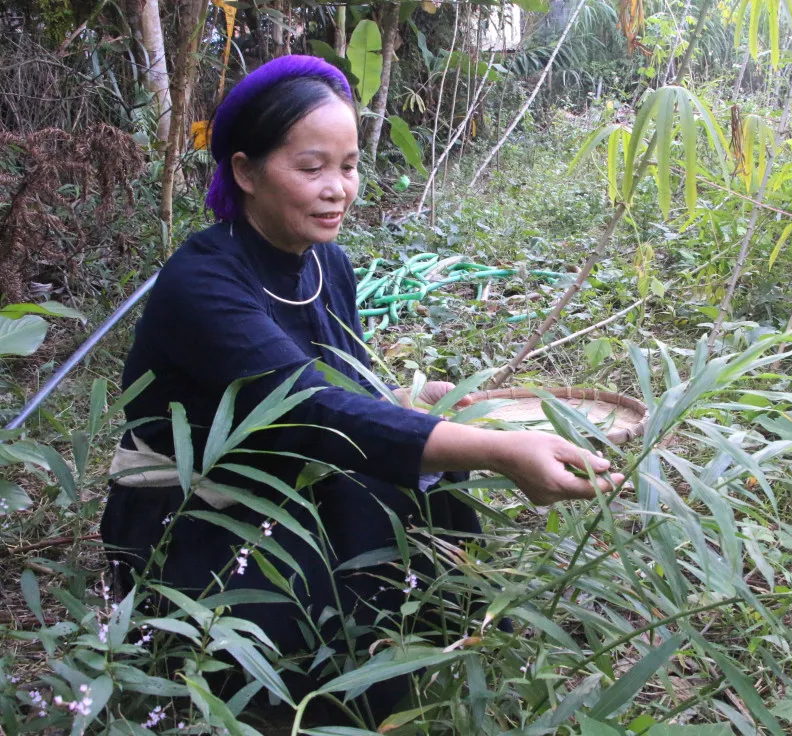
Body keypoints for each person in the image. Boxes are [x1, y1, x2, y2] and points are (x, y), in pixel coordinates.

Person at [100, 56, 622, 726]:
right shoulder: (202, 283)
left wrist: (413, 398)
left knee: (426, 496)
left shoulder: (328, 262)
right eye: (311, 167)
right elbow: (311, 408)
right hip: (202, 506)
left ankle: (422, 667)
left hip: (292, 468)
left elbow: (341, 383)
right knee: (277, 655)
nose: (337, 189)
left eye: (347, 167)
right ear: (245, 172)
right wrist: (499, 451)